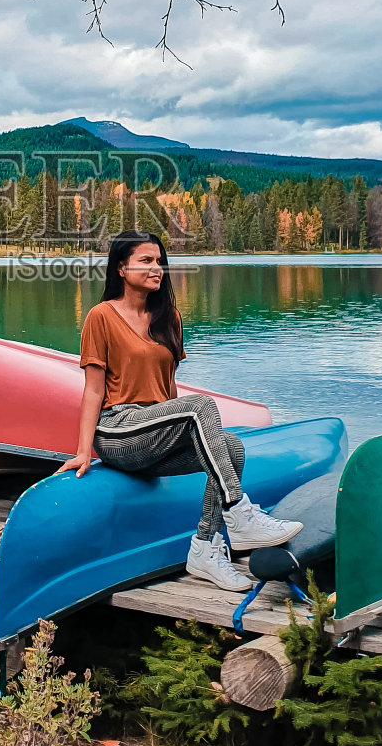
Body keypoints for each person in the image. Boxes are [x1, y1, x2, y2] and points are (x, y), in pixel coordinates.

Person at [57, 230, 301, 593]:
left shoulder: (167, 317)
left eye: (159, 261)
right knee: (200, 405)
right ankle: (240, 512)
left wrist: (186, 430)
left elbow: (169, 391)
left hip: (156, 431)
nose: (157, 268)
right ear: (121, 268)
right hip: (118, 431)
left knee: (232, 447)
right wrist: (82, 451)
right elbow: (93, 390)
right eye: (146, 261)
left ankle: (204, 547)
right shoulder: (101, 316)